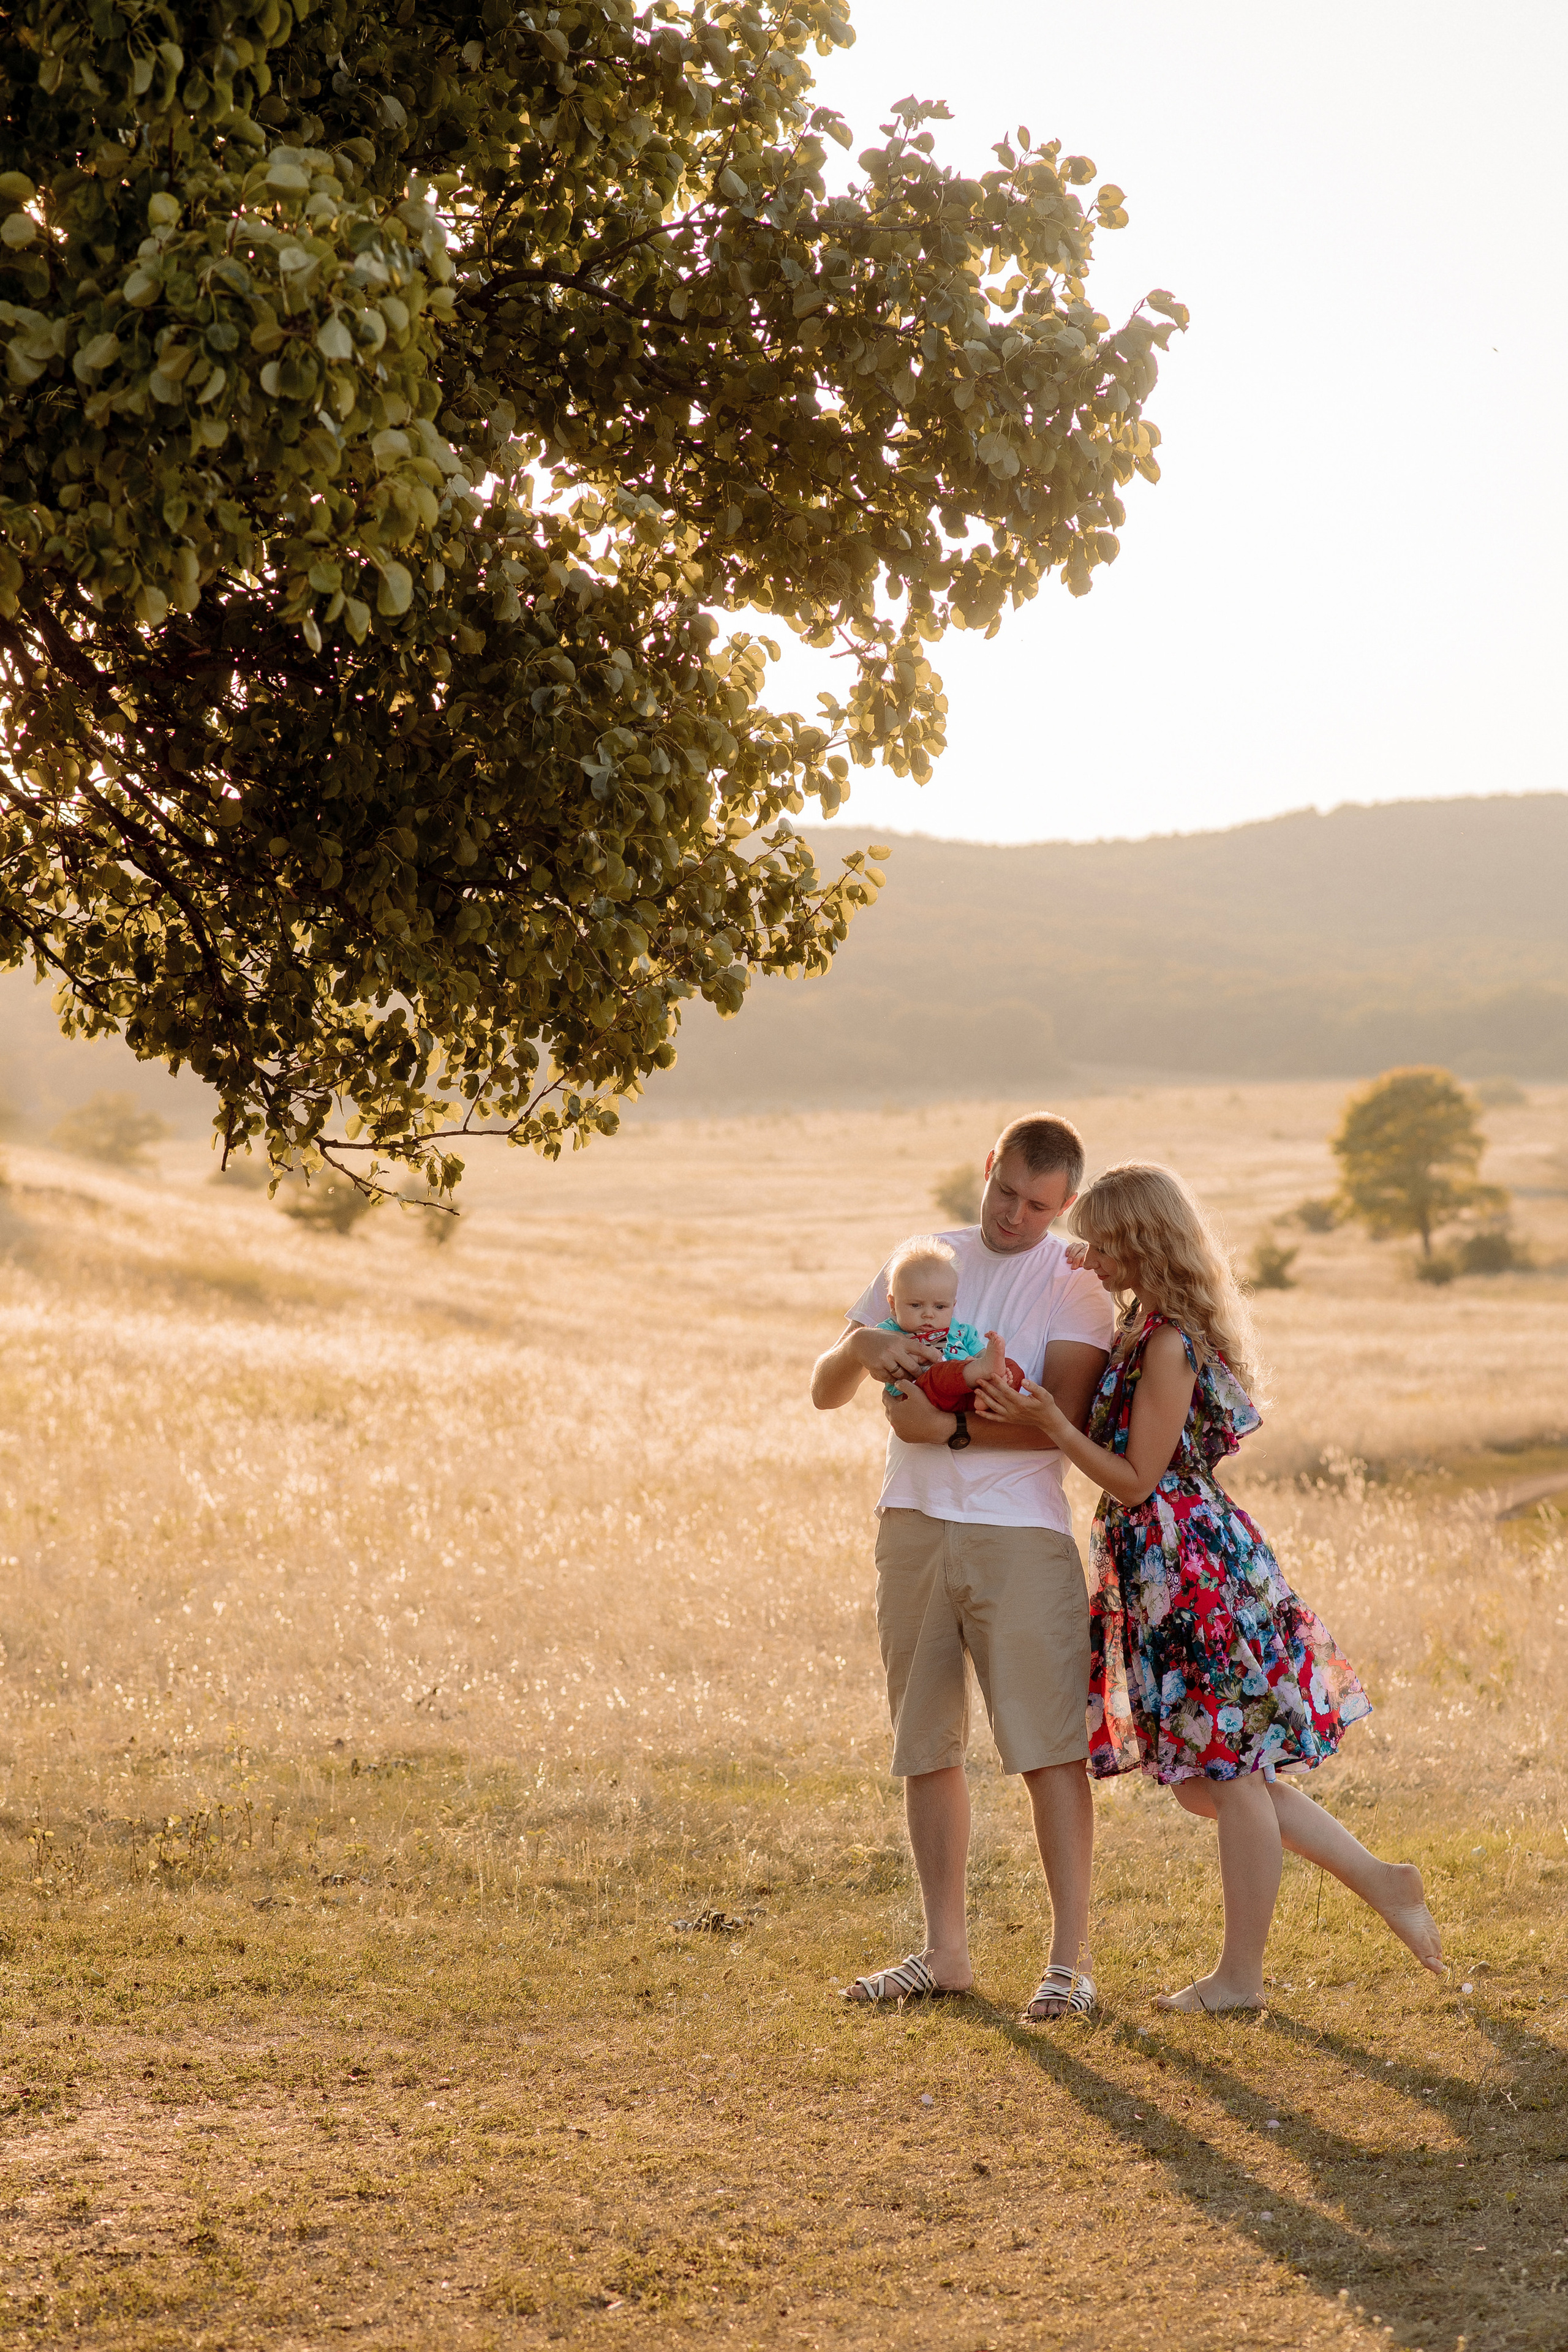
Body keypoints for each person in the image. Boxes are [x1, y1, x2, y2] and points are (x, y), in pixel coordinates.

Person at [974, 1160, 1444, 2012]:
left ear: (1143, 1243)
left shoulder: (1166, 1343)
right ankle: (1382, 1879)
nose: (1094, 1255)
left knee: (1226, 1779)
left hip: (1190, 1568)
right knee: (1207, 1784)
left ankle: (1240, 1979)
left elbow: (1133, 1479)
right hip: (1160, 1569)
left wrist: (1049, 1423)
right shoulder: (1144, 1324)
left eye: (1107, 1243)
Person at [811, 1113, 1115, 2022]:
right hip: (910, 1525)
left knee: (1046, 1746)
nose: (1016, 1215)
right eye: (1006, 1190)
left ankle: (1070, 1964)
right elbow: (826, 1389)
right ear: (988, 1167)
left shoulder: (1075, 1286)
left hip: (1020, 1535)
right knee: (925, 1743)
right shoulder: (923, 1259)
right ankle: (945, 1954)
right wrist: (862, 1347)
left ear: (1064, 1206)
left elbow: (1063, 1416)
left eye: (1039, 1204)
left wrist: (940, 1427)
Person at [875, 1234, 1025, 1414]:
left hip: (968, 1394)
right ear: (893, 1304)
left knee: (1011, 1367)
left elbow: (983, 1356)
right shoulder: (888, 1332)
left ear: (952, 1306)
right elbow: (880, 1357)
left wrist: (989, 1365)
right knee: (939, 1373)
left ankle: (990, 1393)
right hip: (923, 1395)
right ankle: (982, 1379)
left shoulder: (961, 1331)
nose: (928, 1314)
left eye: (940, 1307)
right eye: (916, 1305)